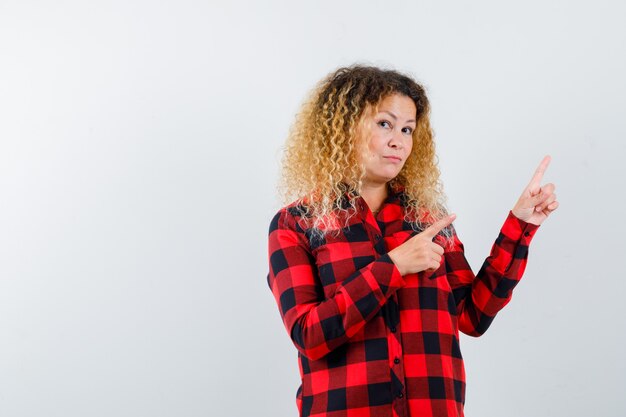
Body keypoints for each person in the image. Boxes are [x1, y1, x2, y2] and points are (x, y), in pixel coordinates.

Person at [266, 65, 558, 417]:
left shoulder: (427, 220)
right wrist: (393, 266)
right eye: (384, 124)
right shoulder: (296, 225)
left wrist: (519, 226)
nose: (398, 141)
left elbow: (473, 317)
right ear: (343, 128)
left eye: (408, 129)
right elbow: (309, 335)